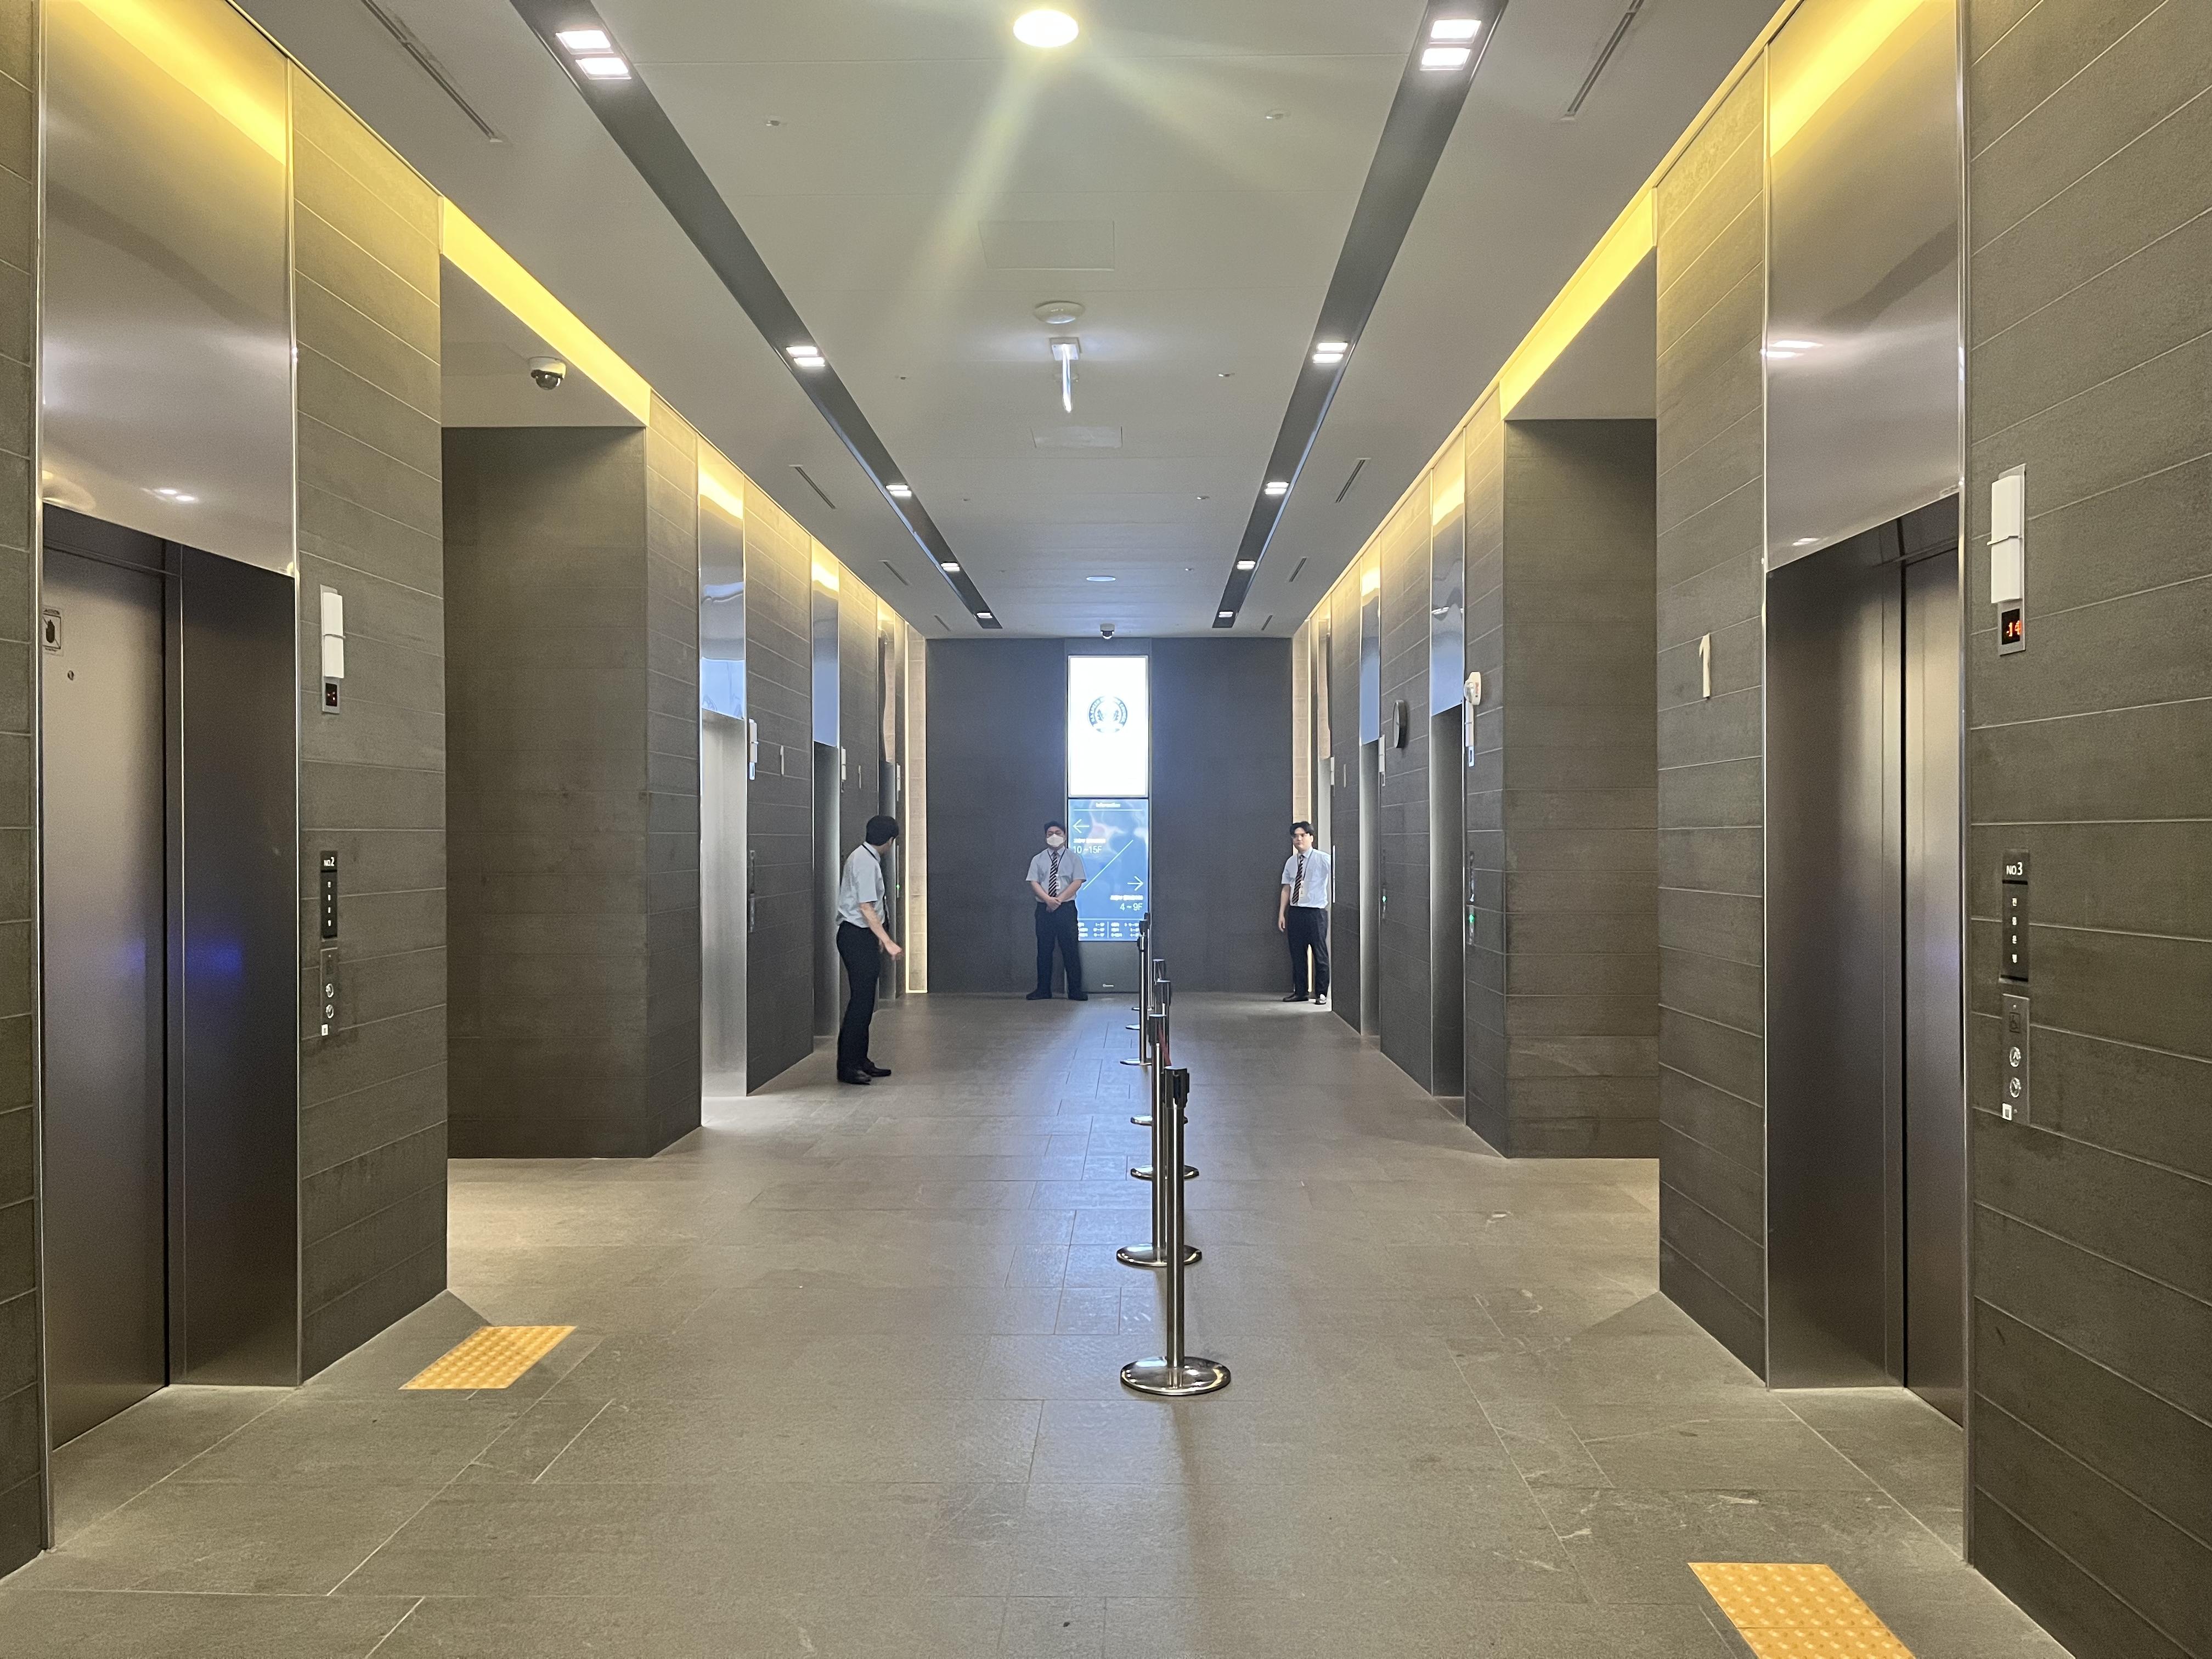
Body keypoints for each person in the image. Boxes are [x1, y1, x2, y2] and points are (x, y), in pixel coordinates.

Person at [835, 815, 902, 1084]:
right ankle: (848, 1067)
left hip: (862, 937)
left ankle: (861, 1060)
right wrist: (888, 941)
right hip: (856, 936)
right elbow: (866, 907)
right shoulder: (865, 862)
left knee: (865, 1003)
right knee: (860, 1004)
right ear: (890, 841)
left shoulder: (865, 858)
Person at [1025, 819, 1088, 1001]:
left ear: (1065, 836)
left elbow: (1078, 881)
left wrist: (1058, 900)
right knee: (1044, 950)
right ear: (1045, 837)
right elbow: (1033, 882)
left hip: (1066, 908)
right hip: (1044, 909)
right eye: (1050, 834)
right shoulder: (1038, 859)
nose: (1054, 836)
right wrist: (1048, 900)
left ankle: (1075, 990)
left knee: (1070, 949)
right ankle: (1043, 989)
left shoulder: (1074, 858)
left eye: (1058, 833)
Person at [1278, 820, 1332, 1006]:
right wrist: (1282, 913)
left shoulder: (1323, 859)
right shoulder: (1291, 862)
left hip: (1315, 913)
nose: (1298, 839)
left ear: (1311, 838)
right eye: (1295, 836)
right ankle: (1300, 992)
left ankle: (1321, 993)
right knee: (1298, 954)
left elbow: (1338, 875)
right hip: (1296, 912)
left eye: (1302, 835)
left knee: (1320, 953)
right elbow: (1287, 888)